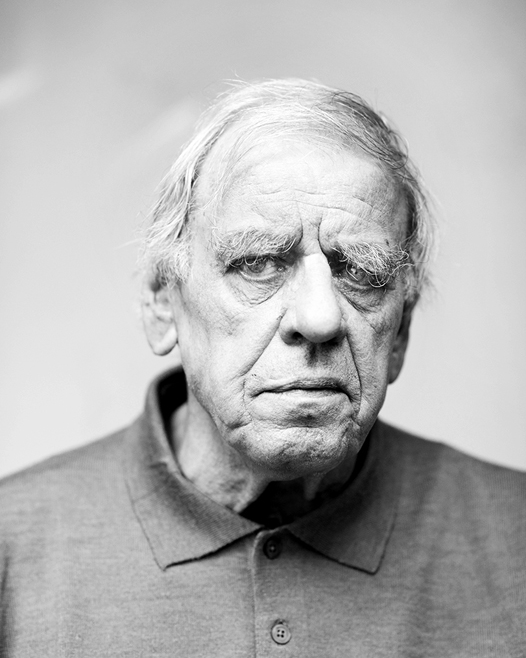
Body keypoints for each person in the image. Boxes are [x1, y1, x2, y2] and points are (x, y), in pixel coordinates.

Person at [0, 79, 524, 657]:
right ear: (162, 303)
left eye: (362, 273)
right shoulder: (13, 546)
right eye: (258, 263)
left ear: (400, 330)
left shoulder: (515, 536)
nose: (320, 318)